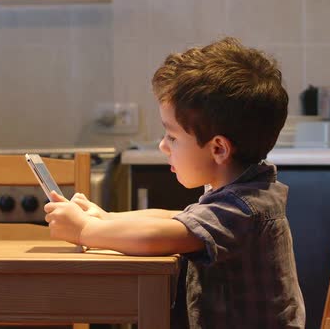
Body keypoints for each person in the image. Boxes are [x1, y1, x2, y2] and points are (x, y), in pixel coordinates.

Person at [44, 37, 305, 329]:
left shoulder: (245, 208)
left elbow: (158, 235)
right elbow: (175, 218)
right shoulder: (239, 194)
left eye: (172, 137)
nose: (163, 146)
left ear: (218, 148)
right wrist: (107, 218)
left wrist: (85, 230)